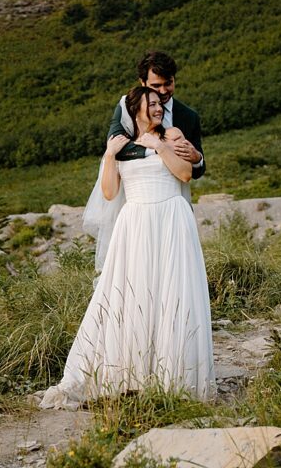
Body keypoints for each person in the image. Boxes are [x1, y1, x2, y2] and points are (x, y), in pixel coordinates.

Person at [39, 85, 216, 408]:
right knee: (132, 291)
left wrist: (160, 147)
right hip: (135, 223)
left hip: (171, 217)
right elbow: (109, 192)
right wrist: (109, 155)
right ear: (134, 109)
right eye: (151, 104)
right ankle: (131, 372)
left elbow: (186, 174)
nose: (159, 107)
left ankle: (174, 375)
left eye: (160, 103)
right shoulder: (121, 147)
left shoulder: (171, 135)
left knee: (172, 291)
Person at [108, 51, 205, 185]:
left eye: (168, 83)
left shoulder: (189, 116)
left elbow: (197, 172)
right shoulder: (128, 106)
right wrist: (160, 148)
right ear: (143, 82)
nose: (163, 91)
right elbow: (115, 148)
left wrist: (197, 159)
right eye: (156, 86)